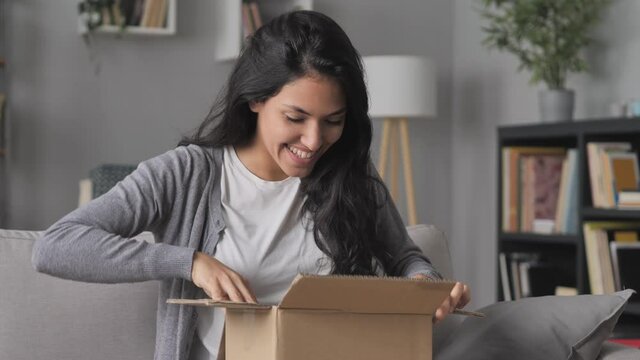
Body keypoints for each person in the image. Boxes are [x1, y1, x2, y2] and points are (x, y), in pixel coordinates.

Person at [32, 10, 470, 360]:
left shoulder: (349, 174)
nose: (314, 141)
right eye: (295, 119)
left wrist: (429, 288)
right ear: (257, 99)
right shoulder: (187, 174)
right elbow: (56, 246)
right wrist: (190, 263)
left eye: (332, 121)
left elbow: (406, 257)